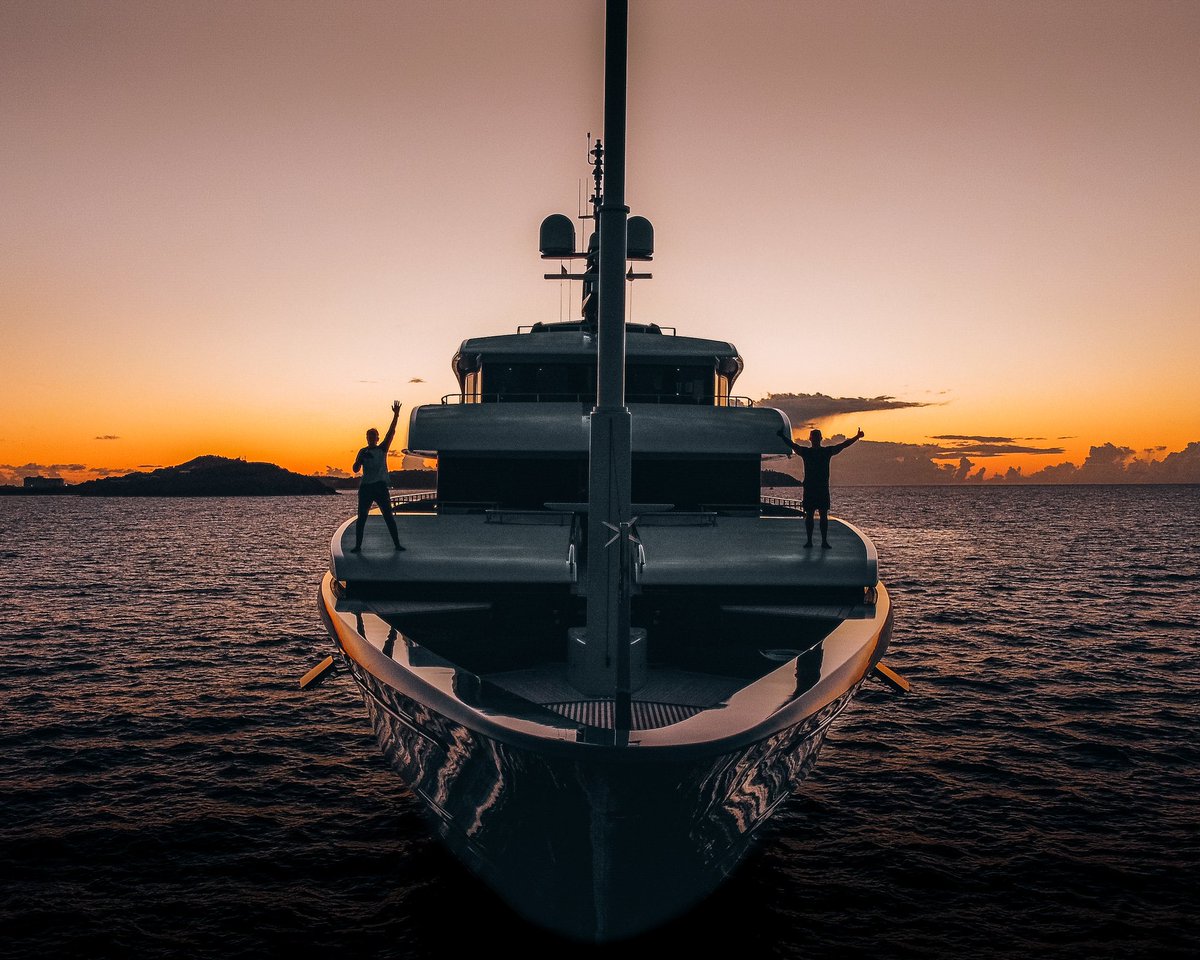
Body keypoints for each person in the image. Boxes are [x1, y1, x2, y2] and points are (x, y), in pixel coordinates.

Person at [778, 425, 864, 549]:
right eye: (816, 437)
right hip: (819, 488)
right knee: (818, 515)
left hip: (813, 488)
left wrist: (782, 436)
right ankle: (819, 541)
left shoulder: (808, 452)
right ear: (819, 438)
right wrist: (856, 437)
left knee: (813, 515)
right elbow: (843, 445)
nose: (816, 439)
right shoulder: (824, 452)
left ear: (811, 439)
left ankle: (813, 541)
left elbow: (792, 445)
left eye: (815, 437)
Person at [350, 402, 405, 552]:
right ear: (367, 438)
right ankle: (358, 546)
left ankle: (397, 545)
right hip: (366, 487)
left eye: (374, 435)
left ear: (377, 437)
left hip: (380, 487)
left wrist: (396, 415)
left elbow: (391, 432)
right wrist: (360, 460)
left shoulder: (382, 448)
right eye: (369, 436)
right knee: (362, 518)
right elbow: (355, 469)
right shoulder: (362, 451)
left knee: (388, 516)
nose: (372, 438)